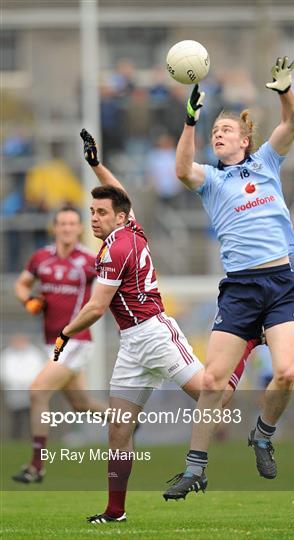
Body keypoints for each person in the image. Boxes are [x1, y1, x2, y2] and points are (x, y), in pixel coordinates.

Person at [52, 129, 261, 524]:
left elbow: (97, 307)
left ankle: (247, 342)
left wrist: (64, 333)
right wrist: (96, 165)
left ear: (116, 217)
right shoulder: (129, 227)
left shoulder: (117, 247)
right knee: (118, 429)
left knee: (211, 397)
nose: (93, 219)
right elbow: (120, 195)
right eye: (91, 212)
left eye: (100, 214)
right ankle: (115, 511)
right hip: (132, 344)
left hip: (154, 332)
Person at [163, 56, 294, 501]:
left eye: (225, 131)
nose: (217, 135)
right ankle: (195, 469)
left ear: (245, 140)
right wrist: (190, 122)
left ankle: (262, 435)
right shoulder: (210, 180)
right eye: (213, 133)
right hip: (241, 289)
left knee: (285, 373)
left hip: (280, 283)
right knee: (212, 383)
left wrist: (284, 90)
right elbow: (182, 170)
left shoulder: (266, 162)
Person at [12, 206, 107, 483]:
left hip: (76, 341)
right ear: (55, 228)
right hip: (49, 342)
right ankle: (125, 419)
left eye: (72, 223)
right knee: (82, 404)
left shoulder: (89, 261)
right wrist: (28, 299)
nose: (67, 228)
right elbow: (21, 285)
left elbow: (105, 294)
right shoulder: (41, 258)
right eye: (62, 223)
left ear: (79, 229)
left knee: (37, 391)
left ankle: (36, 466)